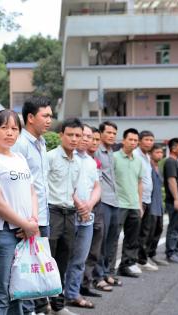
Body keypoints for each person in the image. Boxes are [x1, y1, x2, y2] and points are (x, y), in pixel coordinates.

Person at [0, 109, 39, 315]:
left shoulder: (19, 158)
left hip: (26, 233)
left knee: (19, 290)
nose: (10, 133)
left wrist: (32, 221)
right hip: (5, 233)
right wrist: (26, 225)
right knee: (1, 292)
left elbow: (32, 191)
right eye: (4, 128)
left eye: (14, 128)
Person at [11, 96, 52, 315]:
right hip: (28, 220)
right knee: (26, 271)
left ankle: (36, 310)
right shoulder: (20, 144)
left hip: (42, 216)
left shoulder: (41, 143)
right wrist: (26, 220)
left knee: (38, 269)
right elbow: (17, 184)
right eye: (45, 116)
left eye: (51, 116)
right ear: (30, 117)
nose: (49, 120)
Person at [46, 117, 83, 315]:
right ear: (61, 135)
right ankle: (42, 305)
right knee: (47, 259)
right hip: (52, 212)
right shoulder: (50, 157)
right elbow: (41, 187)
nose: (74, 139)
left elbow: (73, 190)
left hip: (70, 215)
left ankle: (58, 306)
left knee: (63, 260)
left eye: (78, 135)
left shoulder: (77, 162)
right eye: (70, 135)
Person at [64, 124, 100, 310]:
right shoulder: (68, 157)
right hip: (69, 214)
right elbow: (65, 185)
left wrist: (89, 205)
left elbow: (97, 187)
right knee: (63, 258)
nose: (85, 139)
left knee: (80, 259)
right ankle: (57, 297)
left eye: (89, 136)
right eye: (82, 135)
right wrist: (79, 204)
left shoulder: (91, 161)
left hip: (87, 217)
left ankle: (73, 294)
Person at [93, 121, 121, 291]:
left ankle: (106, 272)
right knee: (100, 242)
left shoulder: (111, 152)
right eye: (108, 132)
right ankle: (98, 276)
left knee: (111, 240)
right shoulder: (96, 151)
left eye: (114, 133)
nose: (111, 135)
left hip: (114, 200)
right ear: (102, 134)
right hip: (102, 201)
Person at [113, 128, 144, 278]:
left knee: (132, 238)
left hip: (133, 205)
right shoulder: (114, 157)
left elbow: (139, 183)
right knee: (113, 238)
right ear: (123, 140)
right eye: (130, 139)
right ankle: (108, 269)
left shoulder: (138, 161)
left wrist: (140, 204)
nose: (133, 143)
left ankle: (126, 265)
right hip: (119, 205)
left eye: (135, 140)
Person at [80, 127, 105, 298]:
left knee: (94, 249)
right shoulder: (77, 159)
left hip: (96, 207)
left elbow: (98, 187)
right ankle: (76, 288)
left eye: (96, 139)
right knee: (79, 253)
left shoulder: (93, 161)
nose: (93, 142)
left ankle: (86, 282)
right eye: (89, 137)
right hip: (81, 210)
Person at [134, 130, 159, 272]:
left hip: (147, 199)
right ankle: (133, 260)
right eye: (147, 139)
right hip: (139, 199)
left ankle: (141, 260)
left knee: (145, 232)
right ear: (140, 141)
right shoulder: (136, 155)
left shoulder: (146, 157)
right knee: (137, 232)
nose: (149, 142)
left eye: (151, 140)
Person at [163, 138, 178, 264]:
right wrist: (177, 199)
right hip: (175, 201)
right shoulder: (170, 162)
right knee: (174, 227)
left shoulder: (176, 162)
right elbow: (171, 180)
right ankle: (170, 252)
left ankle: (175, 250)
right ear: (173, 148)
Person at [144, 144, 169, 267]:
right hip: (151, 205)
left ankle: (151, 254)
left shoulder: (158, 167)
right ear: (150, 153)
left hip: (159, 205)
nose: (160, 154)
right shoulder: (148, 166)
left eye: (161, 152)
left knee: (158, 230)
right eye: (157, 152)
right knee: (149, 232)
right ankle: (143, 258)